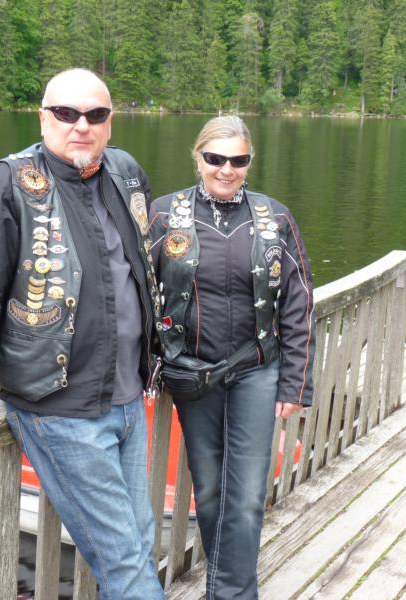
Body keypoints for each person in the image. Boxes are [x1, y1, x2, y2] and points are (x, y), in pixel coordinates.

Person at [0, 68, 165, 599]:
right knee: (127, 566)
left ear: (110, 122)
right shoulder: (5, 184)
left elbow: (143, 270)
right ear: (43, 118)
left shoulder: (126, 173)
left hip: (129, 400)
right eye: (66, 113)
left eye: (95, 115)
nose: (81, 125)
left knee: (140, 543)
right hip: (59, 408)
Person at [148, 116, 315, 598]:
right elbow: (137, 292)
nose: (226, 169)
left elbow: (299, 301)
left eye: (238, 160)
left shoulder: (275, 218)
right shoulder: (164, 215)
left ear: (249, 162)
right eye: (215, 158)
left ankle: (233, 593)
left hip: (256, 369)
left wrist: (296, 382)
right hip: (192, 372)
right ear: (198, 158)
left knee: (245, 497)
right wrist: (149, 364)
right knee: (209, 489)